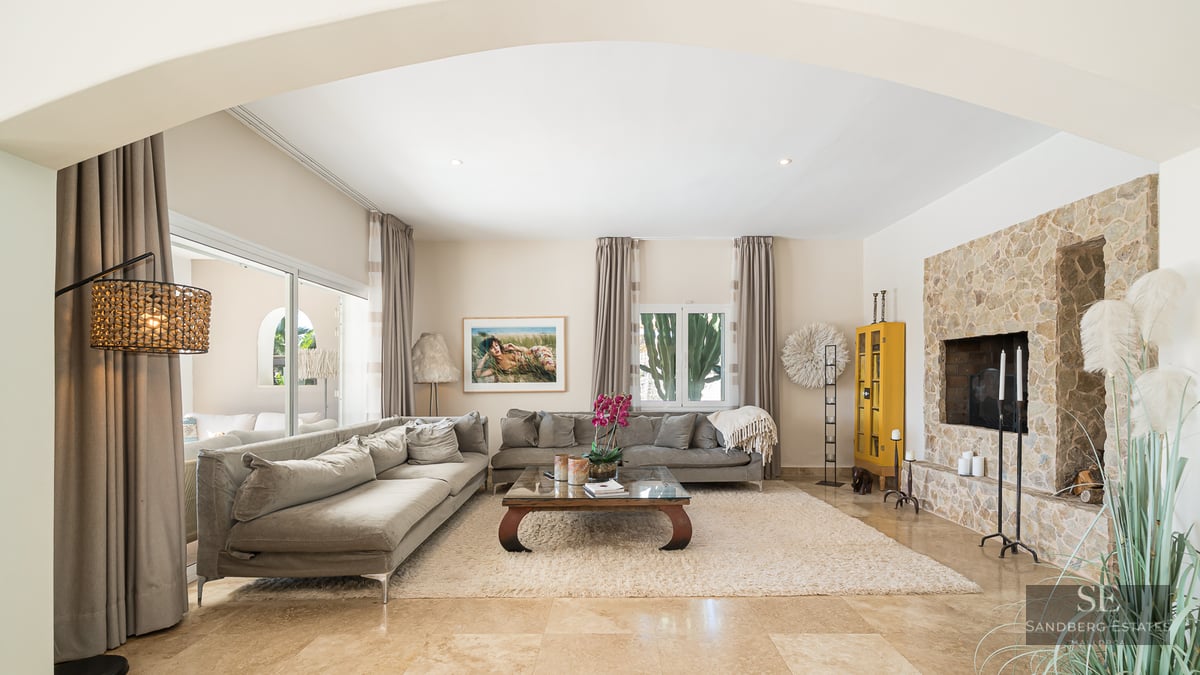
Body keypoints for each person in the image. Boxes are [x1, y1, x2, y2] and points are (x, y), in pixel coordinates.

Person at [474, 335, 556, 382]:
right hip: (537, 364)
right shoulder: (496, 367)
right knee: (549, 368)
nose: (496, 349)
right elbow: (478, 375)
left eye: (496, 345)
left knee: (549, 367)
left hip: (537, 352)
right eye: (492, 348)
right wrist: (484, 358)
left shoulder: (507, 351)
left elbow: (528, 351)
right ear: (488, 352)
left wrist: (516, 347)